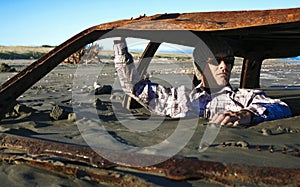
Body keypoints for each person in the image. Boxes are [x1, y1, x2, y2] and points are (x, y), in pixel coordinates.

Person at [113, 36, 292, 126]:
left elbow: (281, 107)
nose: (224, 66)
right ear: (200, 66)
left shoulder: (245, 97)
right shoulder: (178, 97)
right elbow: (134, 87)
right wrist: (119, 44)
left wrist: (246, 115)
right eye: (216, 60)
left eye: (229, 61)